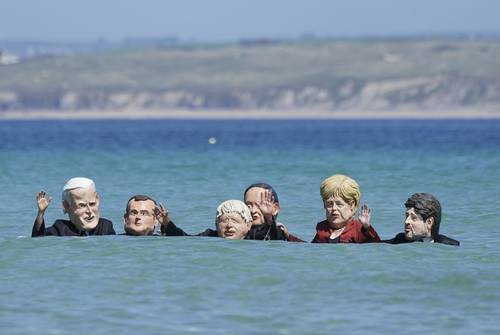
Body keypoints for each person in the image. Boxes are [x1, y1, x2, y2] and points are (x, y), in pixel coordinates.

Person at [32, 177, 115, 237]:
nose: (89, 211)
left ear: (97, 200)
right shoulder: (60, 228)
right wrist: (41, 213)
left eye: (92, 204)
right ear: (66, 206)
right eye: (82, 206)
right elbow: (38, 238)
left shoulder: (105, 226)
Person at [312, 174, 380, 243]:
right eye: (330, 204)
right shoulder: (322, 229)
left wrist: (367, 227)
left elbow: (376, 245)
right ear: (324, 204)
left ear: (352, 205)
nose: (334, 208)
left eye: (339, 204)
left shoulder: (359, 230)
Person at [384, 193, 459, 246]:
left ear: (429, 222)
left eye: (413, 218)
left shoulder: (449, 245)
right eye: (406, 216)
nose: (406, 221)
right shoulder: (399, 240)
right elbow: (376, 244)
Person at [160, 200, 253, 239]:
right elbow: (185, 239)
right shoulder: (210, 236)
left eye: (235, 221)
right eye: (224, 221)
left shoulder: (256, 236)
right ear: (216, 224)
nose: (229, 225)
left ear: (248, 225)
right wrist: (167, 223)